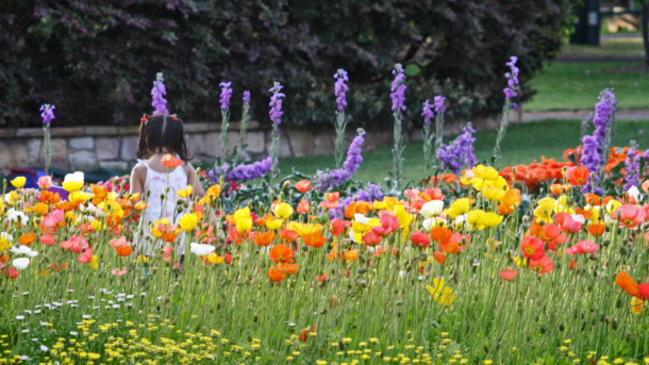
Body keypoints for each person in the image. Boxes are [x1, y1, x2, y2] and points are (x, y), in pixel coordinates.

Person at [129, 114, 204, 258]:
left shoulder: (140, 170)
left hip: (149, 242)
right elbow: (200, 197)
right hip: (179, 240)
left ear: (147, 138)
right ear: (177, 140)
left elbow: (134, 206)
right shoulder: (185, 167)